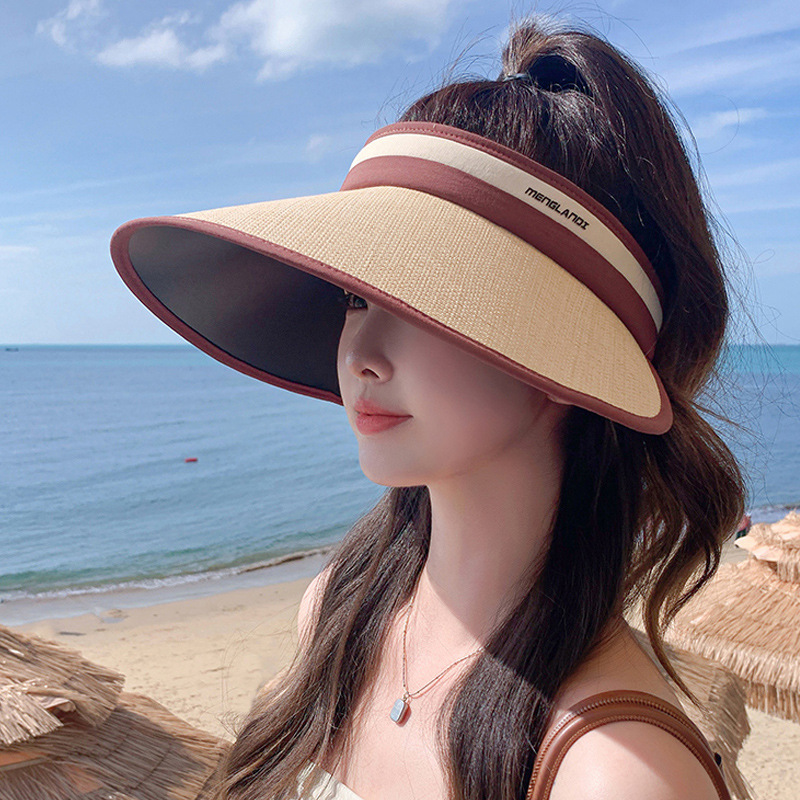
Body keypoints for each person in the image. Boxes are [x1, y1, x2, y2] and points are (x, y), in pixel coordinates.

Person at [109, 17, 746, 800]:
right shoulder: (339, 614)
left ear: (564, 351)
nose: (360, 355)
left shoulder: (614, 775)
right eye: (354, 298)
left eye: (425, 301)